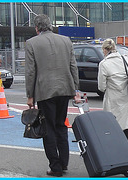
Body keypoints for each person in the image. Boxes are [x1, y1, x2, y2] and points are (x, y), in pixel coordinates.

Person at [25, 14, 80, 177]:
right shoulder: (66, 40)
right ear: (50, 26)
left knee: (48, 128)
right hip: (65, 89)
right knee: (61, 125)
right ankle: (63, 163)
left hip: (45, 91)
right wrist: (75, 90)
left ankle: (55, 166)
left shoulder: (32, 43)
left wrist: (30, 95)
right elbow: (73, 67)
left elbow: (30, 72)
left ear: (37, 28)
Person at [98, 39, 128, 160]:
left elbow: (101, 86)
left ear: (105, 50)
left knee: (111, 127)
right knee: (126, 125)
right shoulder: (123, 59)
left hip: (112, 99)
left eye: (103, 50)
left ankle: (115, 153)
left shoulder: (104, 64)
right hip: (125, 97)